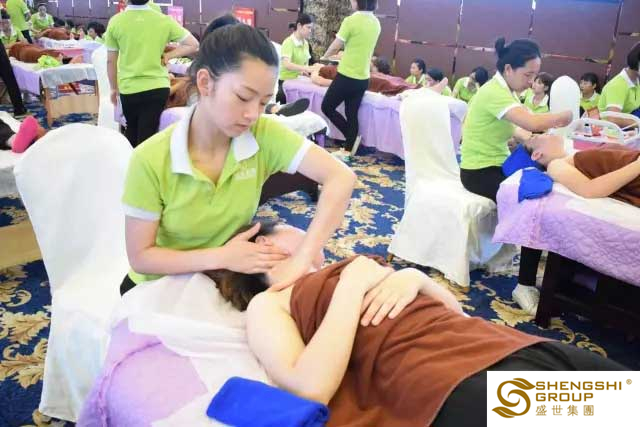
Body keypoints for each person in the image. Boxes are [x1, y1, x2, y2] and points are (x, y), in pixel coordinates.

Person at [206, 222, 627, 427]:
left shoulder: (344, 268)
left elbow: (458, 314)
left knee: (625, 400)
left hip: (486, 341)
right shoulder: (270, 302)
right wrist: (352, 283)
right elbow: (310, 387)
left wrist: (415, 278)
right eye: (299, 228)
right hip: (437, 376)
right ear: (265, 240)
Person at [119, 24, 356, 295]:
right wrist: (220, 256)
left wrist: (303, 258)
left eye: (264, 102)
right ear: (205, 83)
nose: (253, 114)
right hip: (156, 288)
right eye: (243, 97)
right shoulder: (150, 159)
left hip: (219, 281)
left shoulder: (263, 134)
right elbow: (141, 257)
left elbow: (341, 177)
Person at [459, 37, 572, 315]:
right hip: (478, 171)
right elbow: (531, 122)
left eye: (535, 77)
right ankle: (524, 285)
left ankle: (558, 267)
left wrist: (531, 140)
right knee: (535, 202)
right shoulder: (493, 92)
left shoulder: (507, 92)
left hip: (499, 163)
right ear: (508, 69)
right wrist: (566, 114)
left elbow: (520, 130)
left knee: (547, 184)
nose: (531, 83)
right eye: (528, 75)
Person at [104, 0, 199, 147]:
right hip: (157, 87)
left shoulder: (116, 22)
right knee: (147, 134)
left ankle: (131, 159)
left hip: (129, 87)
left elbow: (111, 61)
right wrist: (168, 55)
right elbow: (193, 44)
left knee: (132, 128)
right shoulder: (164, 20)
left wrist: (113, 88)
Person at [320, 0, 381, 154]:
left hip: (347, 75)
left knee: (327, 106)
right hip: (363, 78)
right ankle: (349, 149)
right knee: (351, 113)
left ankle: (351, 138)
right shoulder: (376, 23)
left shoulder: (351, 21)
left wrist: (324, 57)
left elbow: (335, 45)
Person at [525, 134, 640, 207]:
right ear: (536, 154)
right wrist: (637, 165)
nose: (545, 133)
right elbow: (589, 189)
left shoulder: (574, 155)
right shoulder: (555, 165)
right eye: (534, 137)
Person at [598, 41, 640, 126]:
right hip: (608, 130)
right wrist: (638, 123)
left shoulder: (636, 81)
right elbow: (613, 119)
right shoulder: (618, 85)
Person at [277, 13, 314, 104]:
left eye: (311, 28)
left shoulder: (306, 43)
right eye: (308, 27)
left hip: (299, 81)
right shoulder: (288, 42)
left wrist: (305, 72)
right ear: (299, 26)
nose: (310, 31)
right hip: (286, 83)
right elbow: (287, 64)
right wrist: (305, 68)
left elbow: (305, 64)